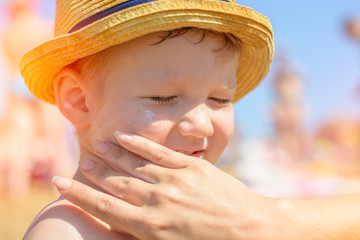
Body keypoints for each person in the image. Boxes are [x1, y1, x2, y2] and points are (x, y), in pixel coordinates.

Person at [19, 0, 273, 239]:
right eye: (164, 97)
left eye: (220, 99)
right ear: (79, 101)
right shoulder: (67, 232)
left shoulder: (225, 220)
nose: (202, 125)